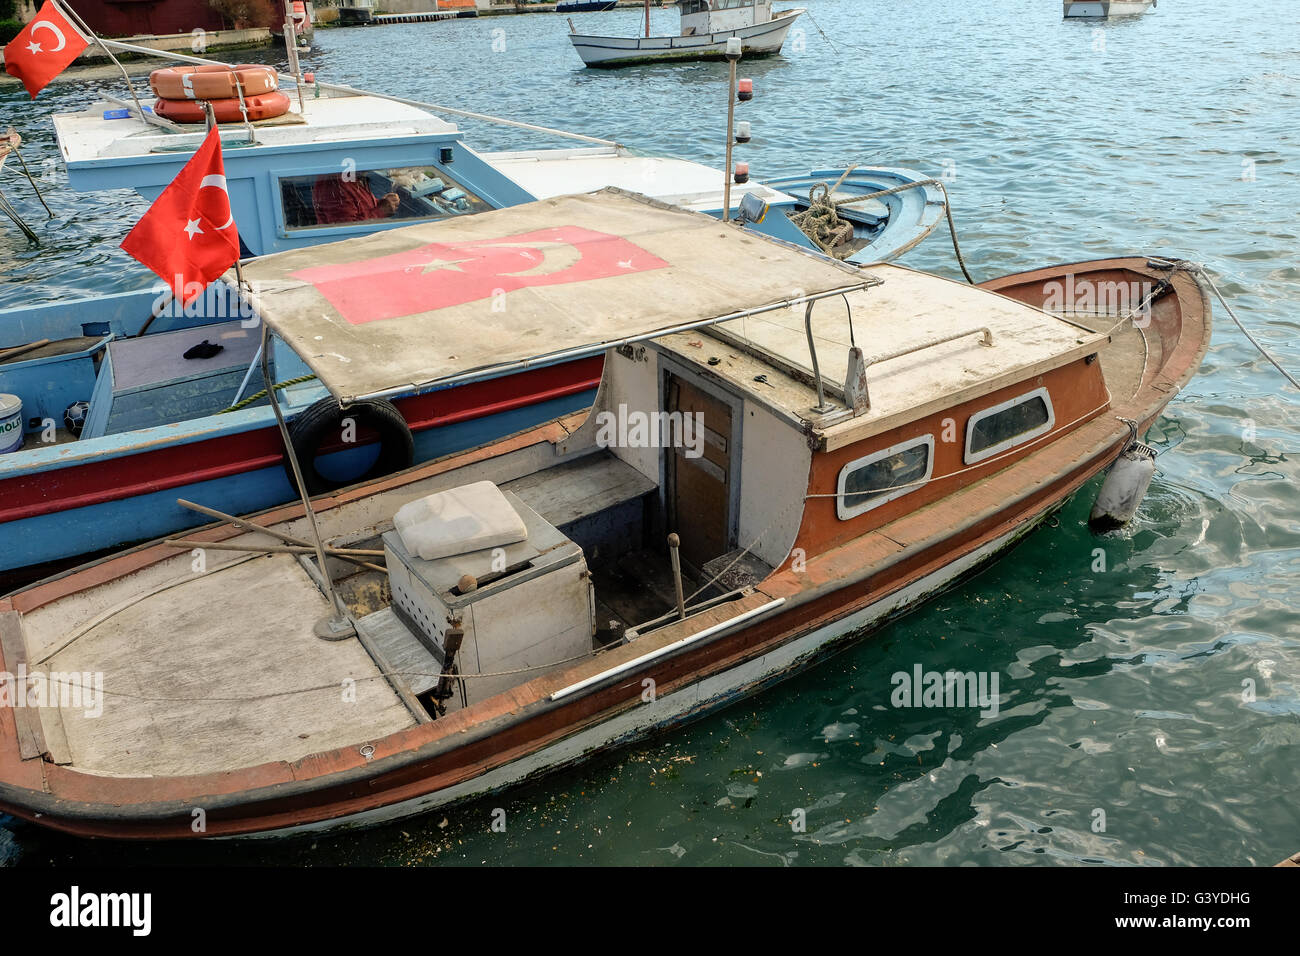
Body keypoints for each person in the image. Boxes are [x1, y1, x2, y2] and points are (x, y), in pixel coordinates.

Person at [311, 173, 401, 225]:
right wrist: (380, 211)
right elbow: (348, 230)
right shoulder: (337, 186)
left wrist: (383, 203)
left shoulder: (350, 177)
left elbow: (358, 205)